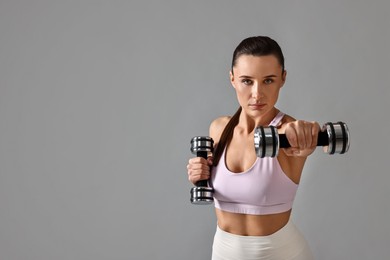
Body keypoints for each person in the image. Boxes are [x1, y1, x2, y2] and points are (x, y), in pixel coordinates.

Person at [187, 36, 318, 260]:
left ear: (283, 79)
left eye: (268, 80)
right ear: (232, 79)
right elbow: (212, 181)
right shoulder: (218, 129)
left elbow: (302, 138)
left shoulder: (286, 132)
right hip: (223, 251)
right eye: (247, 81)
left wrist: (307, 135)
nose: (257, 94)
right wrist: (199, 173)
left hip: (280, 253)